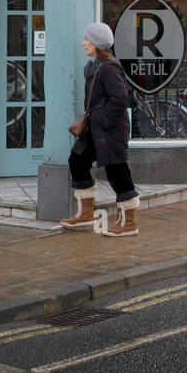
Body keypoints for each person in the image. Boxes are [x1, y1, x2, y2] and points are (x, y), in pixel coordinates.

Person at [60, 22, 140, 237]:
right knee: (77, 160)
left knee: (117, 171)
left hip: (109, 130)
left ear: (96, 43)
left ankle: (129, 223)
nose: (83, 43)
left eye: (87, 39)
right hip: (96, 130)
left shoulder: (109, 67)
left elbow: (120, 99)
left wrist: (101, 118)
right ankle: (86, 214)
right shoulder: (95, 65)